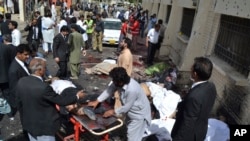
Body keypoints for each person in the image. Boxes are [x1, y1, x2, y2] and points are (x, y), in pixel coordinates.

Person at [15, 58, 85, 141]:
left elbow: (19, 103)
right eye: (45, 67)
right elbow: (61, 101)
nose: (46, 70)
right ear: (40, 70)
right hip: (44, 127)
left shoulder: (21, 81)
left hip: (29, 124)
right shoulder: (43, 88)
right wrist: (77, 96)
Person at [88, 67, 151, 141]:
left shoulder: (132, 89)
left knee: (133, 137)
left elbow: (126, 107)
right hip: (131, 112)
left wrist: (113, 111)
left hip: (139, 115)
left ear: (120, 82)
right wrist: (97, 101)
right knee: (129, 130)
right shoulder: (119, 82)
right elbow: (109, 90)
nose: (113, 82)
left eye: (114, 81)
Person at [171, 57, 217, 141]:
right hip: (201, 131)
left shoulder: (194, 97)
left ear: (195, 74)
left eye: (191, 69)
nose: (190, 69)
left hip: (190, 136)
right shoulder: (211, 87)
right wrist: (187, 96)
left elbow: (187, 123)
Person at [8, 44, 31, 120]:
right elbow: (14, 89)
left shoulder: (22, 62)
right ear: (18, 54)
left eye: (28, 54)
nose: (28, 56)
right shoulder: (14, 70)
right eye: (25, 54)